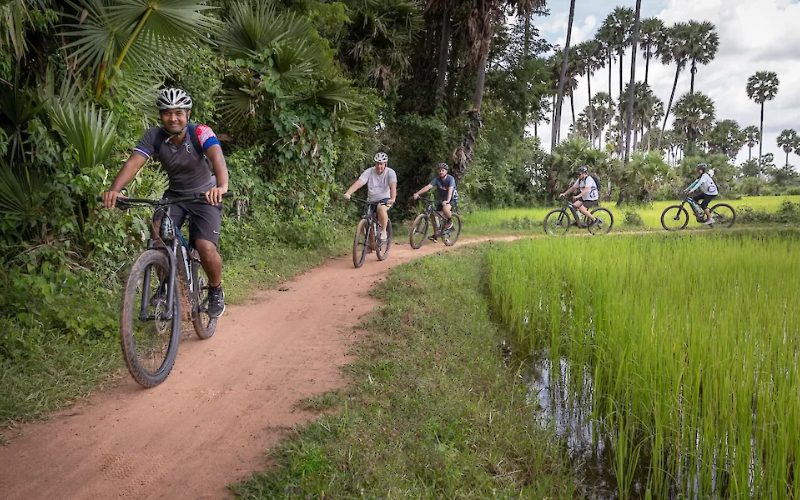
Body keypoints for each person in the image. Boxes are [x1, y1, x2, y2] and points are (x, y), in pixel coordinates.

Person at [101, 88, 229, 317]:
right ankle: (168, 284)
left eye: (178, 112)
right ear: (161, 116)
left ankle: (215, 290)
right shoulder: (154, 136)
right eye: (167, 113)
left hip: (204, 196)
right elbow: (134, 163)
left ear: (187, 114)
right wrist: (115, 190)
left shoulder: (200, 132)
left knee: (205, 246)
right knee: (158, 236)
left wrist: (221, 187)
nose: (173, 118)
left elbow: (217, 156)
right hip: (175, 196)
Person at [343, 152, 397, 240]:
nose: (379, 166)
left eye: (381, 164)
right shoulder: (369, 171)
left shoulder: (390, 172)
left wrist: (393, 198)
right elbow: (359, 183)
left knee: (381, 208)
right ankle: (370, 245)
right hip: (371, 200)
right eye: (377, 164)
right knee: (366, 220)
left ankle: (383, 231)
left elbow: (393, 186)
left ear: (385, 164)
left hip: (385, 199)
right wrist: (348, 193)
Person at [412, 162, 458, 236]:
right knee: (433, 215)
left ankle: (450, 222)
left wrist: (448, 201)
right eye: (439, 170)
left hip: (451, 199)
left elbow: (450, 190)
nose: (441, 172)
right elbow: (428, 187)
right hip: (442, 199)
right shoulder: (437, 179)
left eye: (443, 170)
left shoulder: (450, 179)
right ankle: (436, 234)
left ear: (446, 171)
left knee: (446, 209)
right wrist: (417, 193)